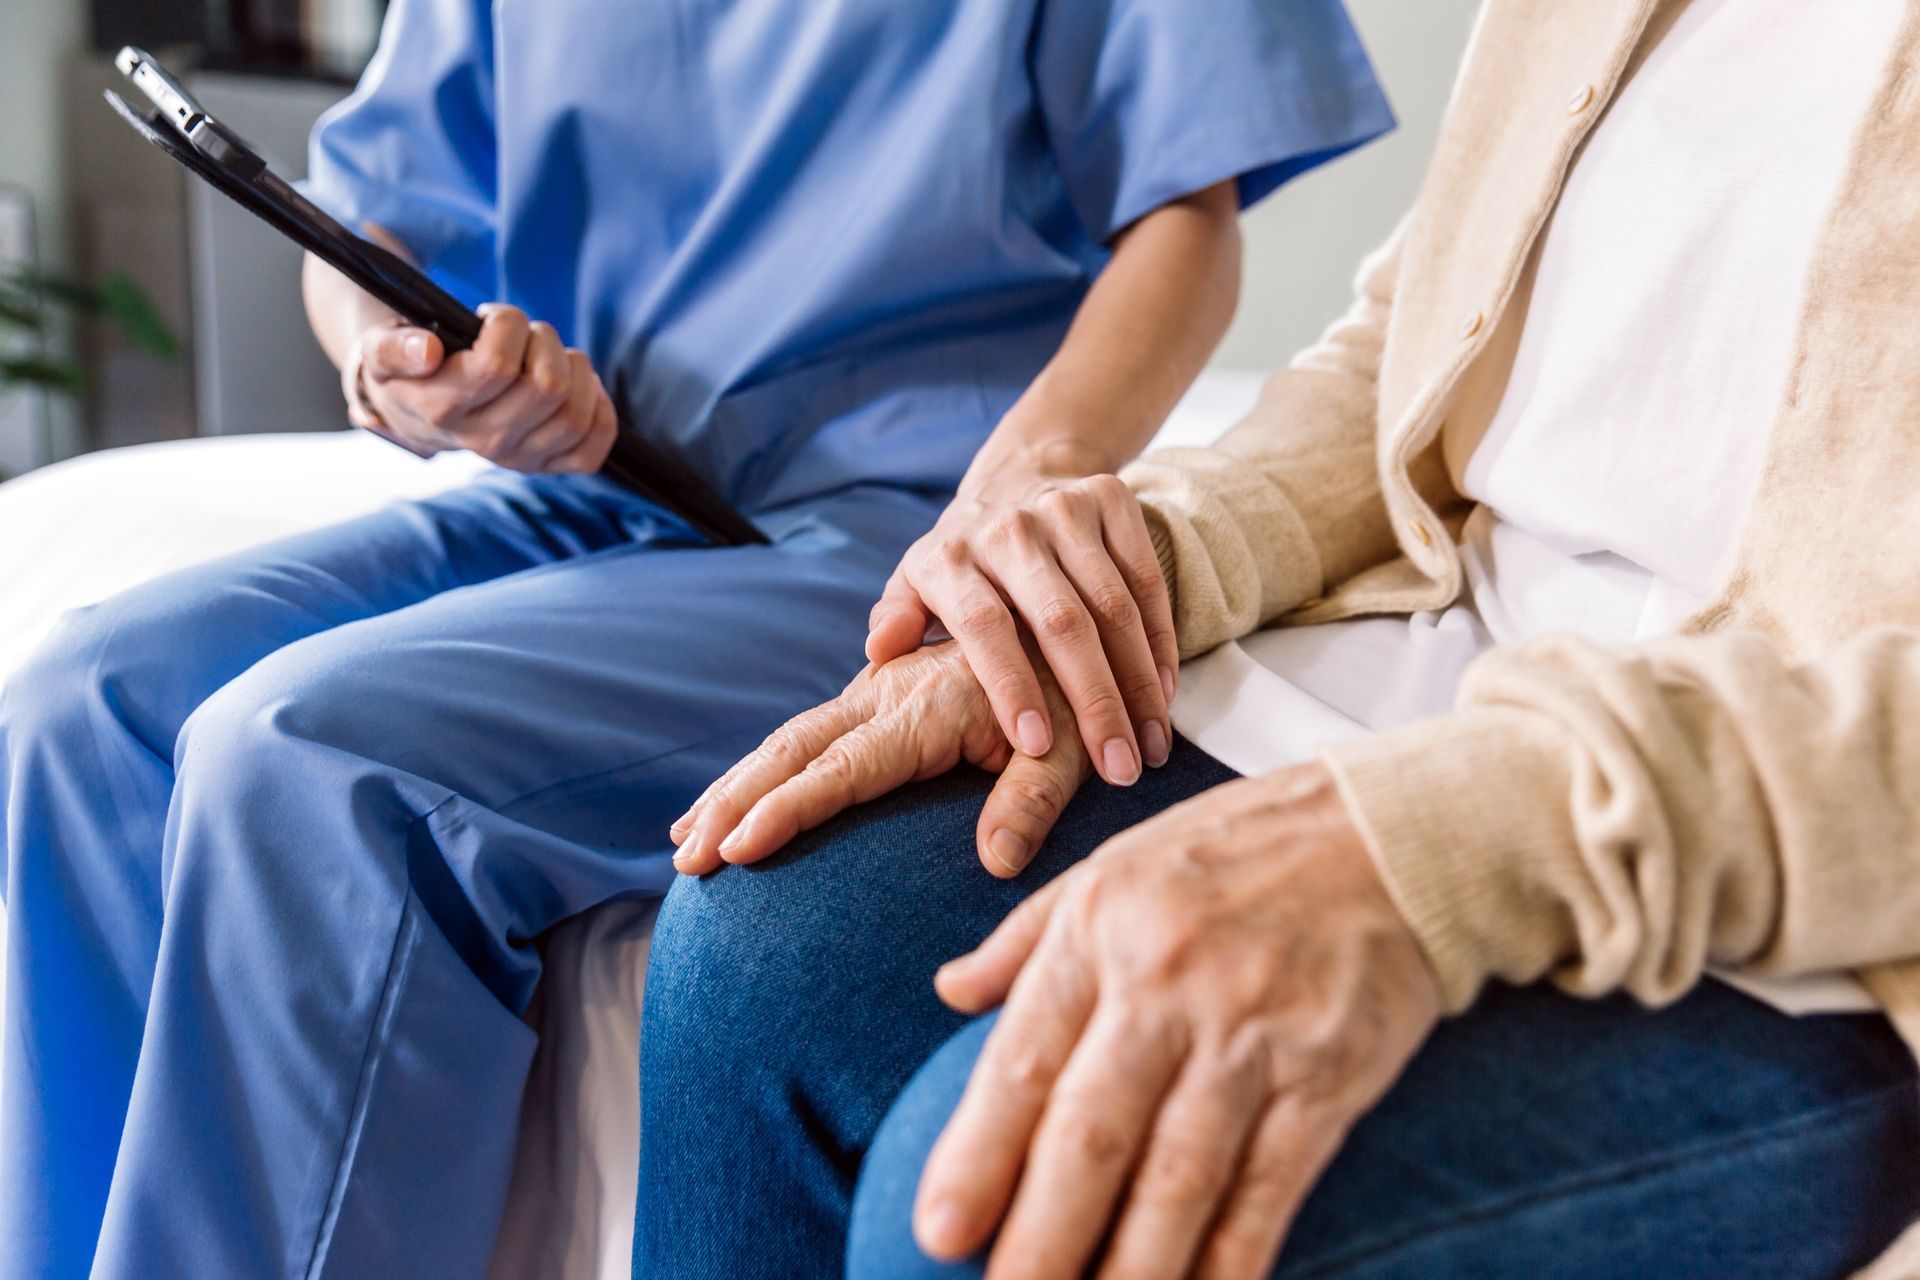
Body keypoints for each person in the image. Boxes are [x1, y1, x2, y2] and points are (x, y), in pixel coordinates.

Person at [0, 2, 1394, 1276]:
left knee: (299, 758)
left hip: (902, 519)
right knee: (81, 702)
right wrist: (401, 370)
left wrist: (1037, 468)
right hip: (578, 484)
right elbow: (372, 230)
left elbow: (1188, 223)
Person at [638, 0, 1920, 1276]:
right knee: (757, 945)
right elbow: (1416, 331)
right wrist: (1139, 570)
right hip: (1444, 652)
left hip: (1812, 875)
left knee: (993, 1203)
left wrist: (1450, 838)